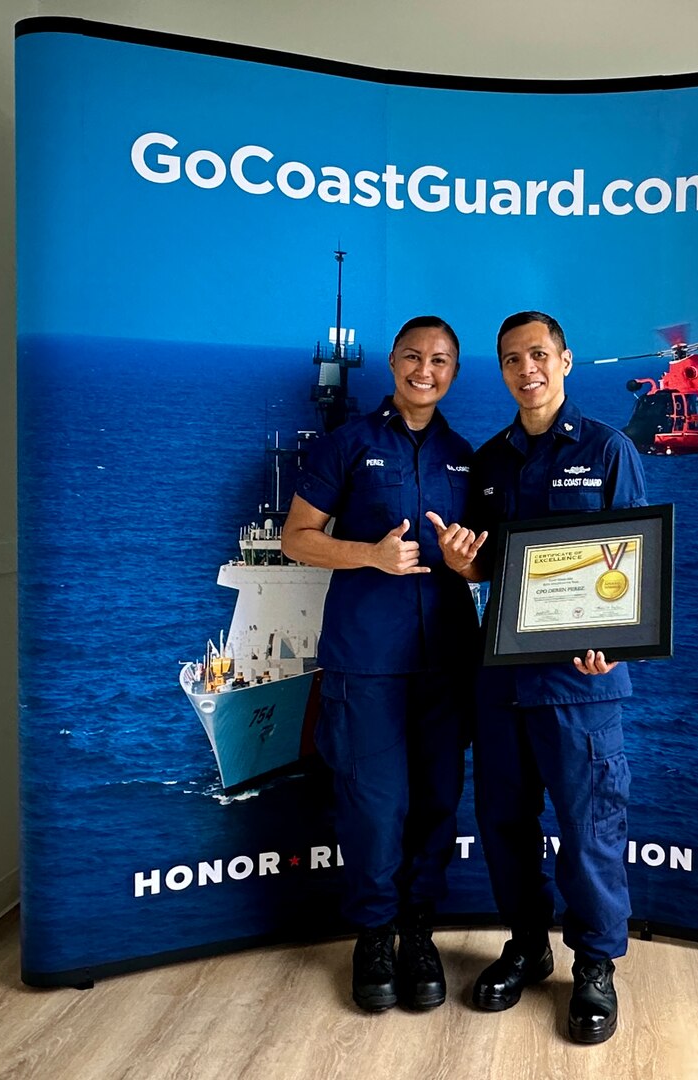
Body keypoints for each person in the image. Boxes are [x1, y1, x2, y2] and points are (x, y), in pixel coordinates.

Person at [431, 310, 647, 1044]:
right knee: (503, 826)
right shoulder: (488, 463)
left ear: (565, 360)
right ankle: (526, 945)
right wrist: (466, 565)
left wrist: (616, 643)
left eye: (538, 354)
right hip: (501, 682)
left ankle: (594, 967)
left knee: (589, 830)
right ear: (502, 371)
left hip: (581, 685)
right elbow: (491, 568)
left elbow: (637, 561)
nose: (527, 368)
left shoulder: (608, 449)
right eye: (512, 359)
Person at [282, 315, 482, 1013]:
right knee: (375, 806)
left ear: (454, 372)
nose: (425, 370)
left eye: (441, 361)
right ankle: (373, 933)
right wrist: (368, 555)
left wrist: (468, 564)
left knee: (435, 804)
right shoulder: (347, 445)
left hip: (446, 664)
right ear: (393, 363)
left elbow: (485, 560)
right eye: (413, 357)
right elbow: (296, 539)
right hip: (365, 661)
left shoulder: (466, 456)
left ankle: (419, 931)